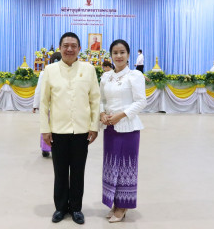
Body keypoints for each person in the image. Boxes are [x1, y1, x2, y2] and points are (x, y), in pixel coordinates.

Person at [40, 32, 100, 225]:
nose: (69, 49)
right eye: (65, 45)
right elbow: (44, 103)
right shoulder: (49, 70)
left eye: (73, 45)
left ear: (79, 49)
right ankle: (60, 207)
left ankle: (76, 208)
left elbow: (95, 99)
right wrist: (45, 129)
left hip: (81, 130)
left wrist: (94, 126)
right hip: (57, 130)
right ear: (60, 48)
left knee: (78, 171)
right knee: (59, 172)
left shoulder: (89, 69)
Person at [100, 40, 147, 223]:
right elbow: (101, 99)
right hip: (110, 128)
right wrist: (102, 113)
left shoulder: (134, 76)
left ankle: (123, 205)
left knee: (126, 167)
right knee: (111, 166)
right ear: (111, 55)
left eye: (122, 52)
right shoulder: (106, 76)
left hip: (129, 128)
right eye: (115, 53)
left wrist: (121, 115)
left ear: (128, 55)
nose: (118, 56)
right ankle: (114, 202)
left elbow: (141, 101)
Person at [33, 52, 62, 157]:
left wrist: (35, 105)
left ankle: (48, 148)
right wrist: (36, 104)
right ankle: (47, 148)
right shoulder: (44, 73)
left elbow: (38, 90)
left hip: (57, 106)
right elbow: (39, 90)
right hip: (52, 106)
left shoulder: (64, 73)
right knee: (48, 127)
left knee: (50, 127)